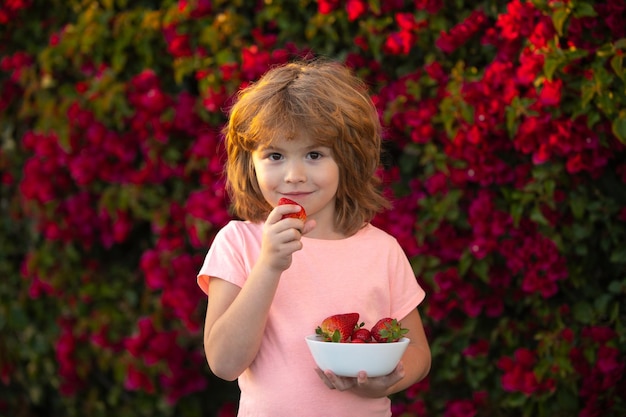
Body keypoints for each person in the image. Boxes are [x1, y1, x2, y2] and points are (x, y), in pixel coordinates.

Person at [197, 59, 431, 417]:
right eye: (275, 155)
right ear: (251, 163)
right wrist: (269, 265)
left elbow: (417, 353)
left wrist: (389, 381)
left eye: (314, 154)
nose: (293, 175)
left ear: (347, 160)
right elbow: (225, 362)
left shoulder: (381, 250)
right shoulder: (239, 244)